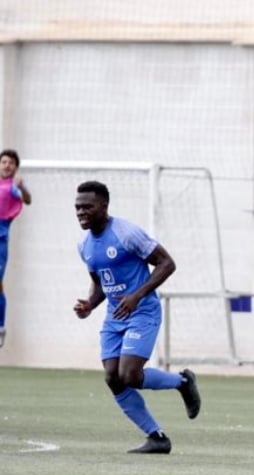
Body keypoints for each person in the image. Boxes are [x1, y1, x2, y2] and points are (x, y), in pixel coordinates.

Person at [72, 180, 201, 454]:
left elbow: (167, 264)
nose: (81, 212)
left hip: (143, 311)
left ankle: (183, 383)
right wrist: (89, 305)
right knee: (112, 378)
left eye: (87, 207)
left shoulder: (127, 233)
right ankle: (157, 437)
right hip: (115, 316)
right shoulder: (85, 247)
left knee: (129, 374)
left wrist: (137, 296)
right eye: (77, 208)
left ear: (104, 206)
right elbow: (101, 284)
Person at [0, 148, 33, 348]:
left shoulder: (13, 186)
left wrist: (24, 188)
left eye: (11, 162)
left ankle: (1, 325)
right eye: (4, 162)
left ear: (15, 167)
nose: (7, 165)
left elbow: (27, 199)